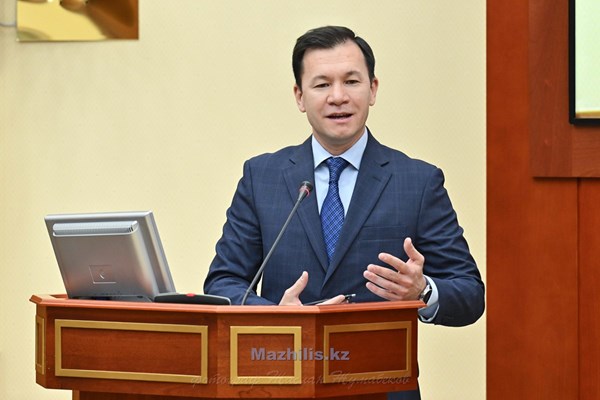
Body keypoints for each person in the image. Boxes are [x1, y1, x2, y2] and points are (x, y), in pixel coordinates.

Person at [204, 26, 485, 400]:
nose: (338, 97)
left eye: (351, 81)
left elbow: (470, 294)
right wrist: (274, 316)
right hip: (280, 382)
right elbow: (223, 282)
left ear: (373, 89)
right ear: (300, 96)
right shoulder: (262, 177)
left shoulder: (418, 182)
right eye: (322, 85)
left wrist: (423, 290)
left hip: (381, 386)